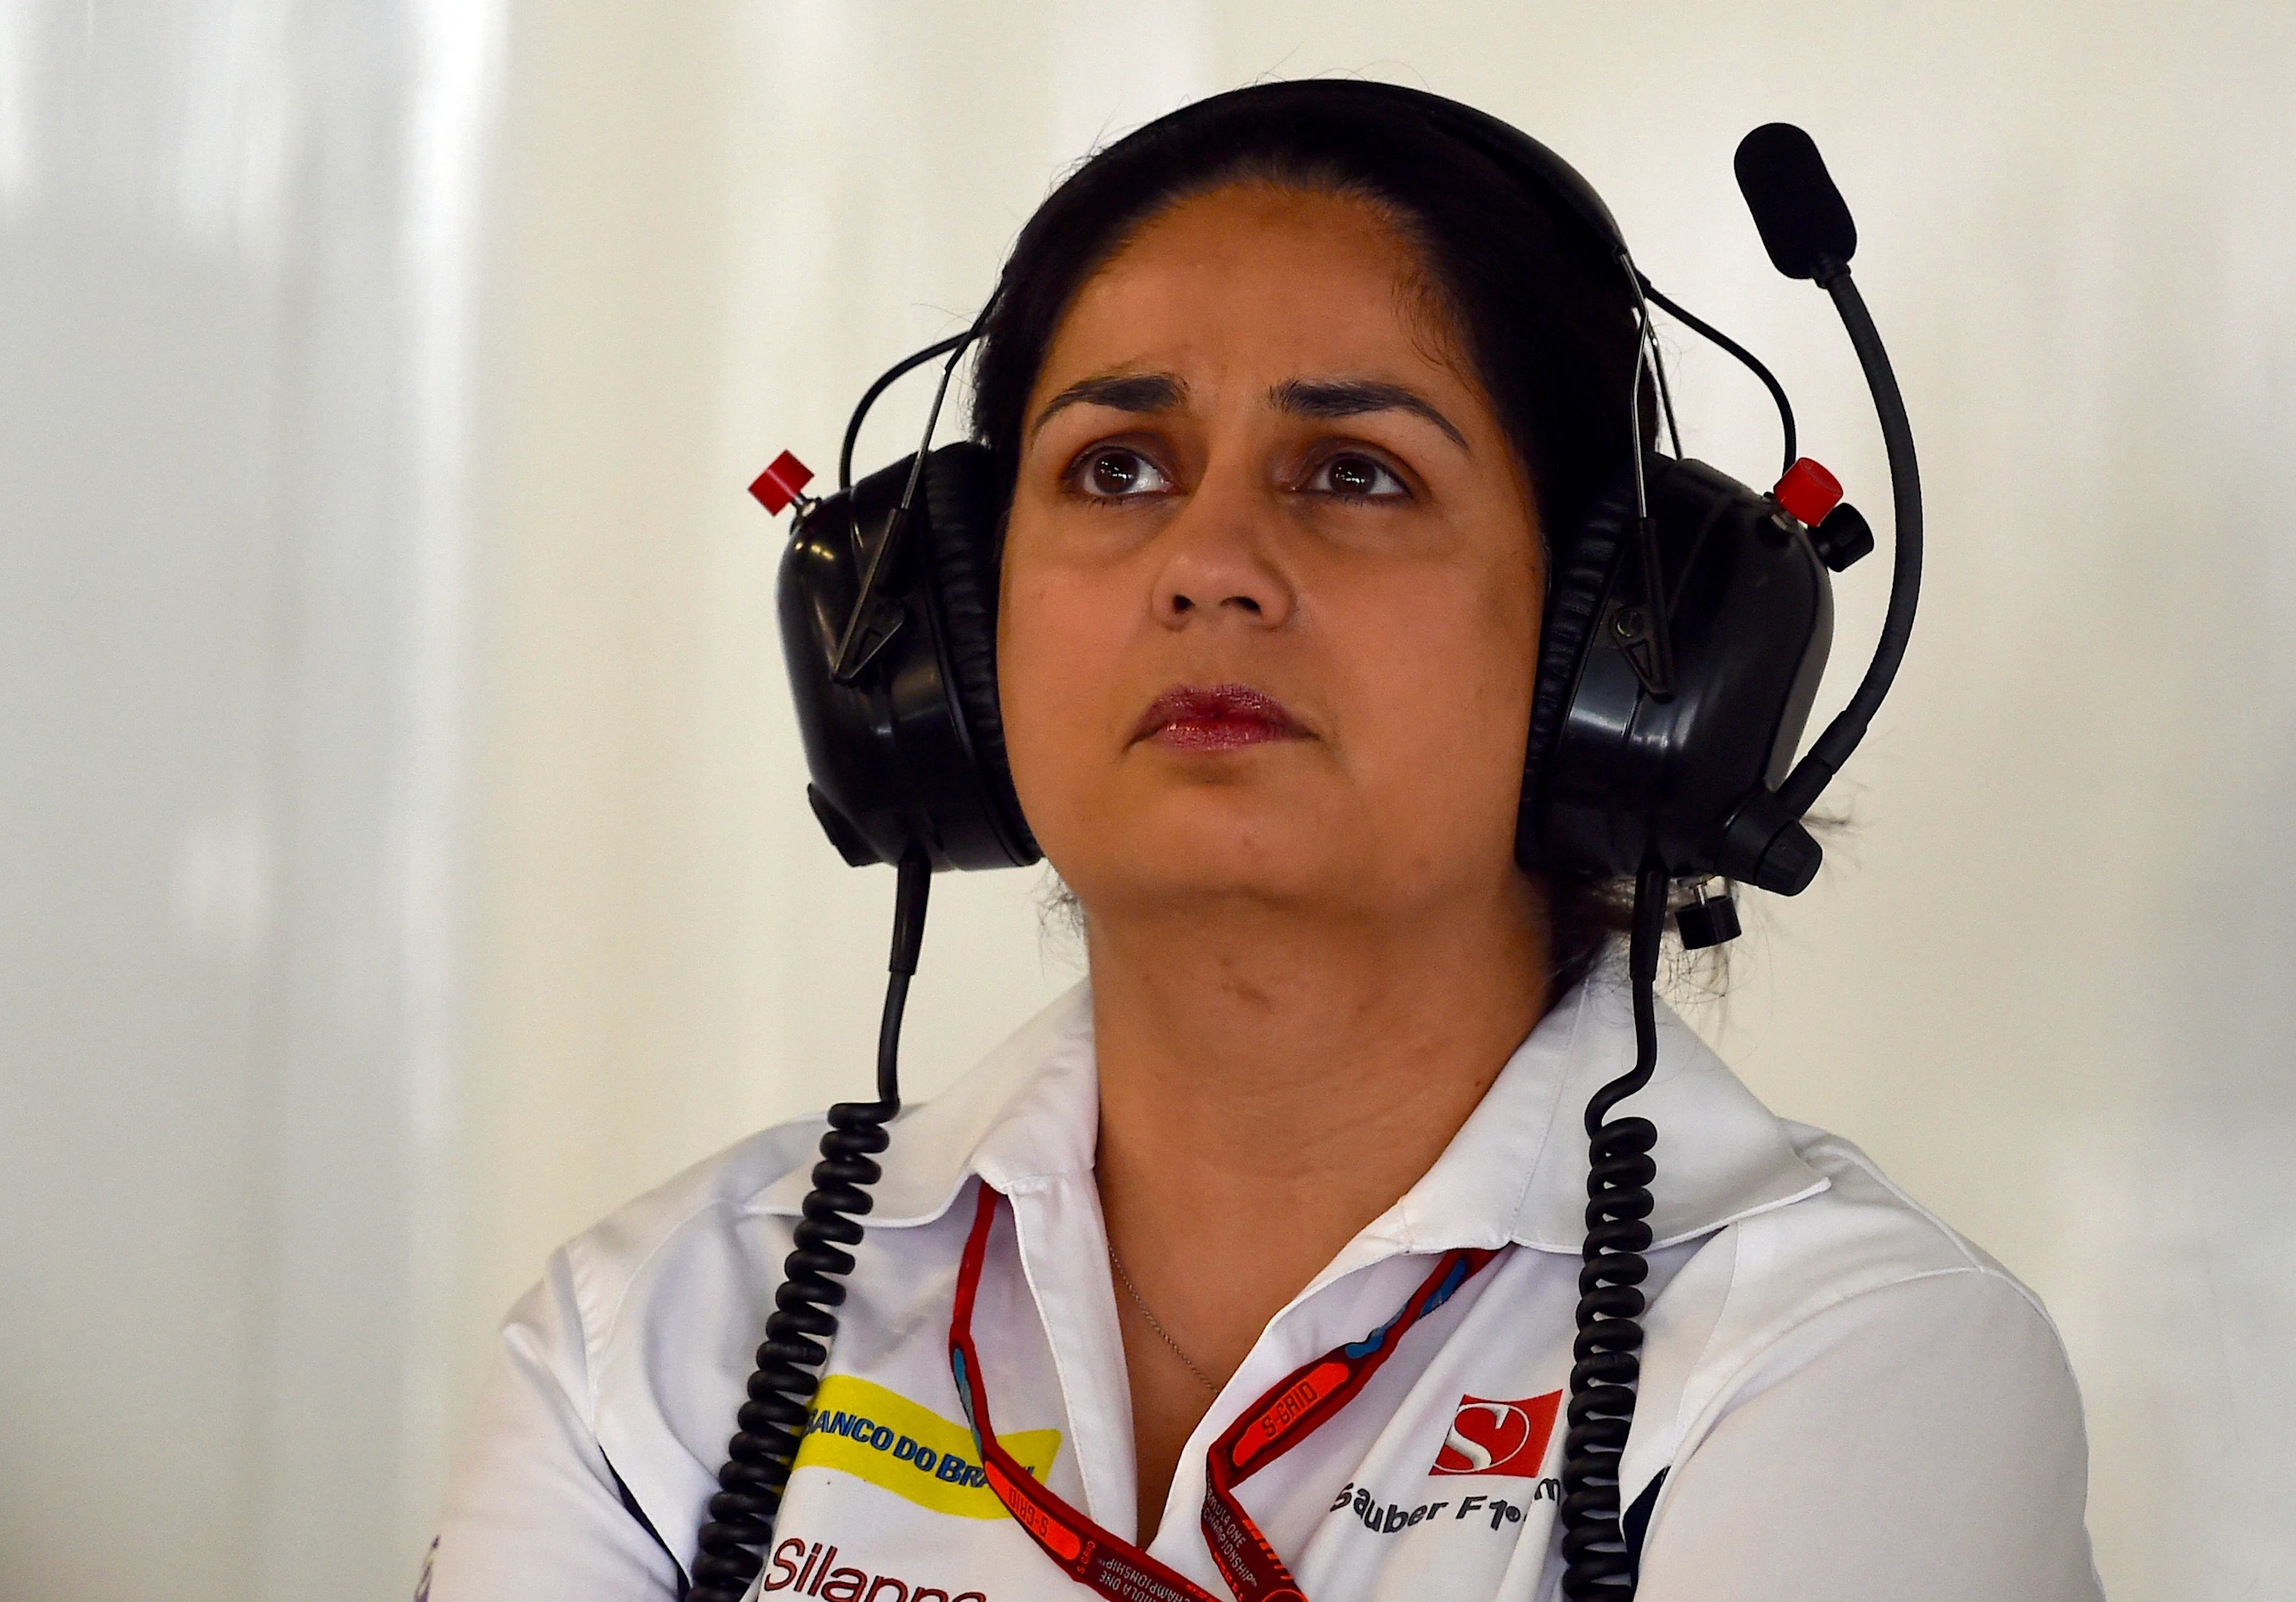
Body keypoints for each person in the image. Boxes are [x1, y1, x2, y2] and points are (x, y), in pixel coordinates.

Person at [425, 81, 2101, 1601]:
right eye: (1117, 465)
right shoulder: (652, 1338)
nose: (1208, 559)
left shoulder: (1852, 1358)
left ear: (1621, 649)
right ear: (950, 632)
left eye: (1356, 473)